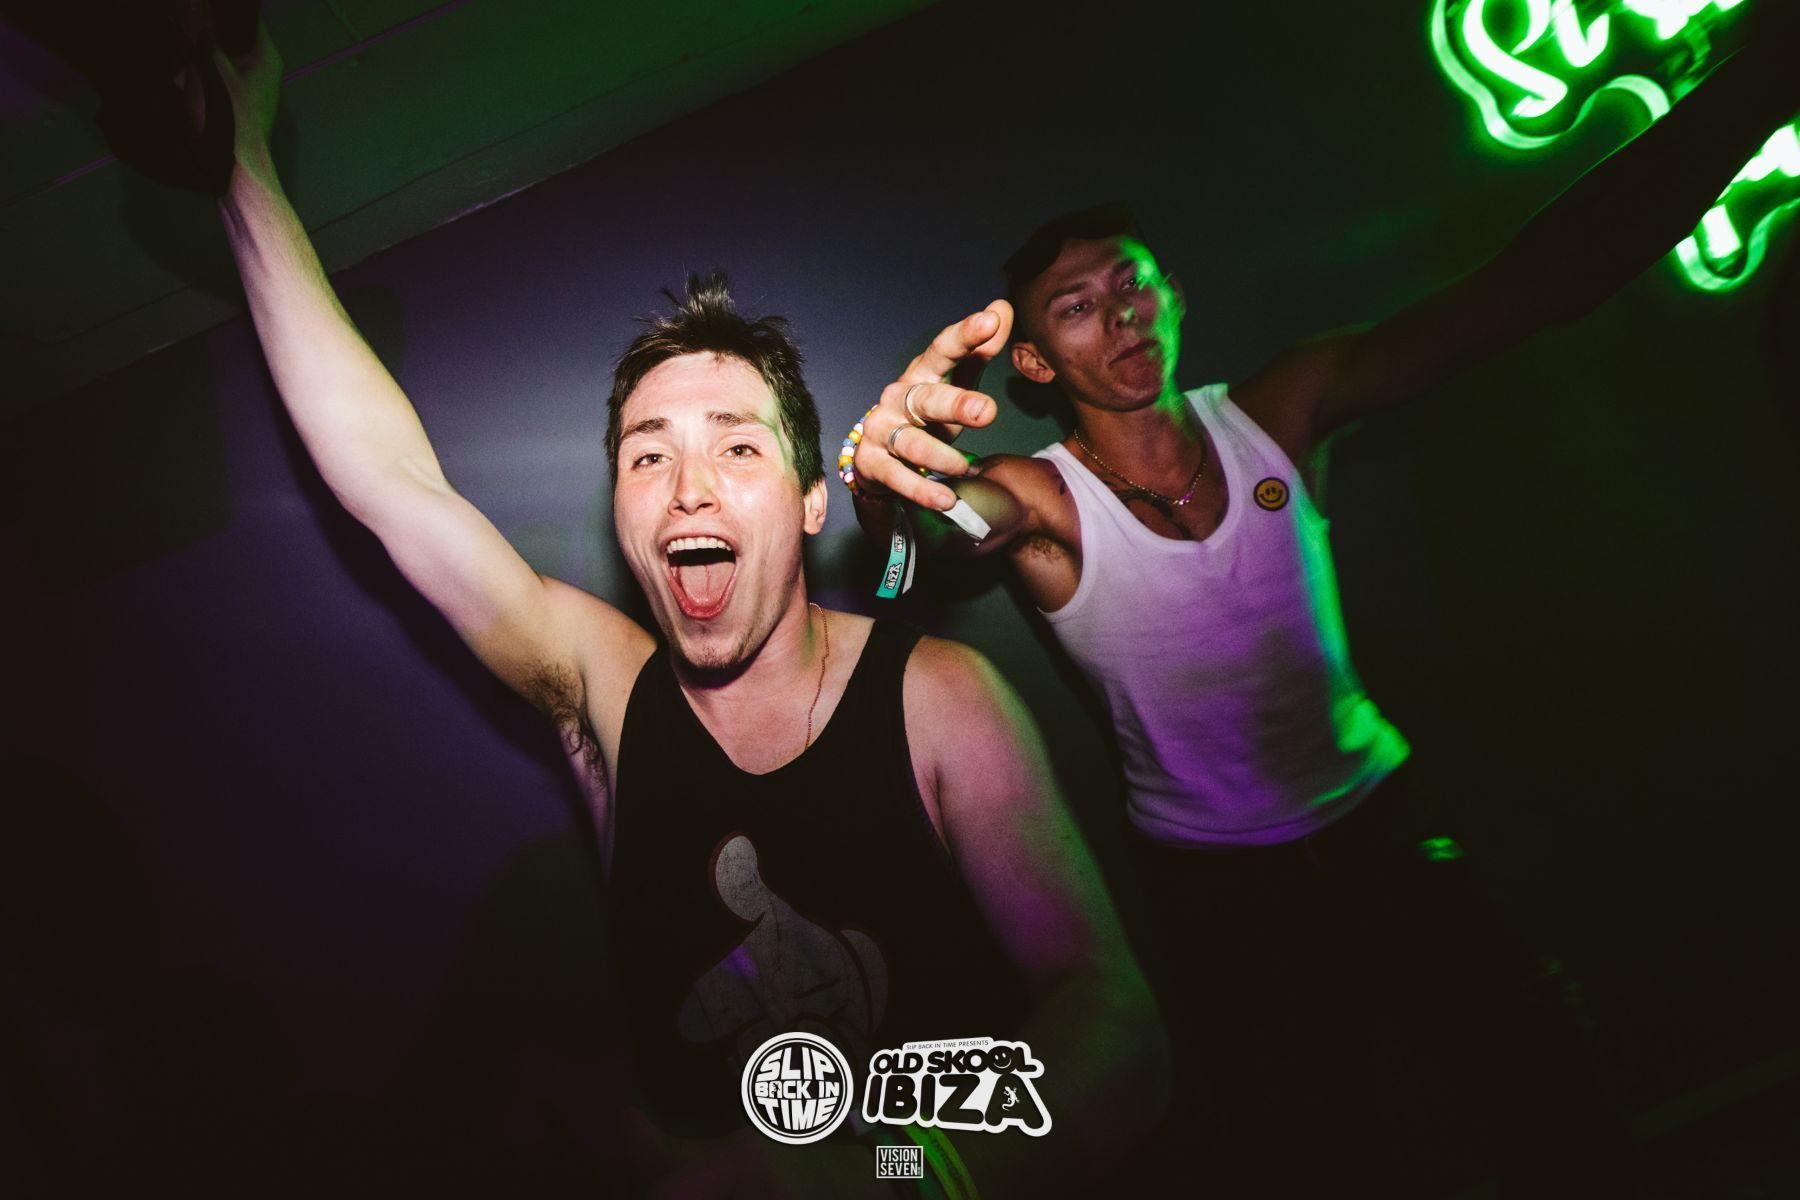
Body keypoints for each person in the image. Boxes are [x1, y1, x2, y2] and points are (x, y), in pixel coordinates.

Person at [202, 23, 1166, 1198]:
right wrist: (239, 163)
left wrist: (872, 1178)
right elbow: (390, 483)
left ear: (811, 501)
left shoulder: (938, 700)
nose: (688, 486)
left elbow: (1113, 1028)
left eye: (737, 446)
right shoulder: (605, 696)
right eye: (647, 455)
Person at [844, 9, 1799, 1194]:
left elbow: (1538, 287)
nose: (1120, 314)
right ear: (1034, 361)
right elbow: (918, 557)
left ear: (1172, 293)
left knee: (1552, 1106)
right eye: (1076, 306)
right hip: (1218, 890)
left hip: (1385, 822)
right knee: (1322, 1156)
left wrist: (1761, 85)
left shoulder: (1280, 410)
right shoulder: (1041, 499)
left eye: (1130, 283)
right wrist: (882, 492)